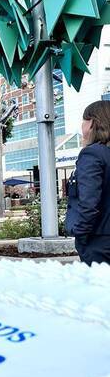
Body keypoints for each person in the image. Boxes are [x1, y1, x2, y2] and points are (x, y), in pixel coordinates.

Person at [66, 101, 110, 266]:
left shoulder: (92, 154)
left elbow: (89, 202)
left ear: (92, 122)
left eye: (83, 121)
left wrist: (81, 234)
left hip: (98, 240)